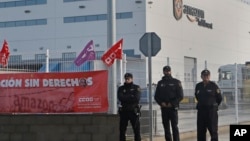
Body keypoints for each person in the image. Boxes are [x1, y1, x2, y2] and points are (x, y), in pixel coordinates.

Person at [154, 66, 184, 141]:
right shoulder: (160, 83)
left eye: (168, 71)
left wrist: (172, 103)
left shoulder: (176, 82)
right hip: (164, 108)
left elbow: (180, 96)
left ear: (171, 71)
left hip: (173, 108)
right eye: (165, 71)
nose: (167, 72)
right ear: (163, 72)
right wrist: (161, 103)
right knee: (166, 127)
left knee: (174, 127)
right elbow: (156, 96)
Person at [195, 69, 223, 141]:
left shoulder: (214, 86)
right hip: (201, 112)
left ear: (209, 76)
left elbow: (219, 98)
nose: (206, 77)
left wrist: (213, 105)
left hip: (211, 112)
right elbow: (197, 96)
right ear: (201, 76)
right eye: (204, 76)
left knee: (213, 131)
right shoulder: (198, 86)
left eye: (207, 76)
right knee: (201, 131)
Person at [118, 73, 141, 141]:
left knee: (136, 130)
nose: (127, 80)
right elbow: (120, 97)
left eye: (128, 79)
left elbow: (137, 98)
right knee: (122, 130)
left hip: (133, 111)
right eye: (126, 79)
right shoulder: (121, 88)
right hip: (124, 111)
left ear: (132, 79)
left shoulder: (136, 87)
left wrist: (126, 97)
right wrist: (131, 96)